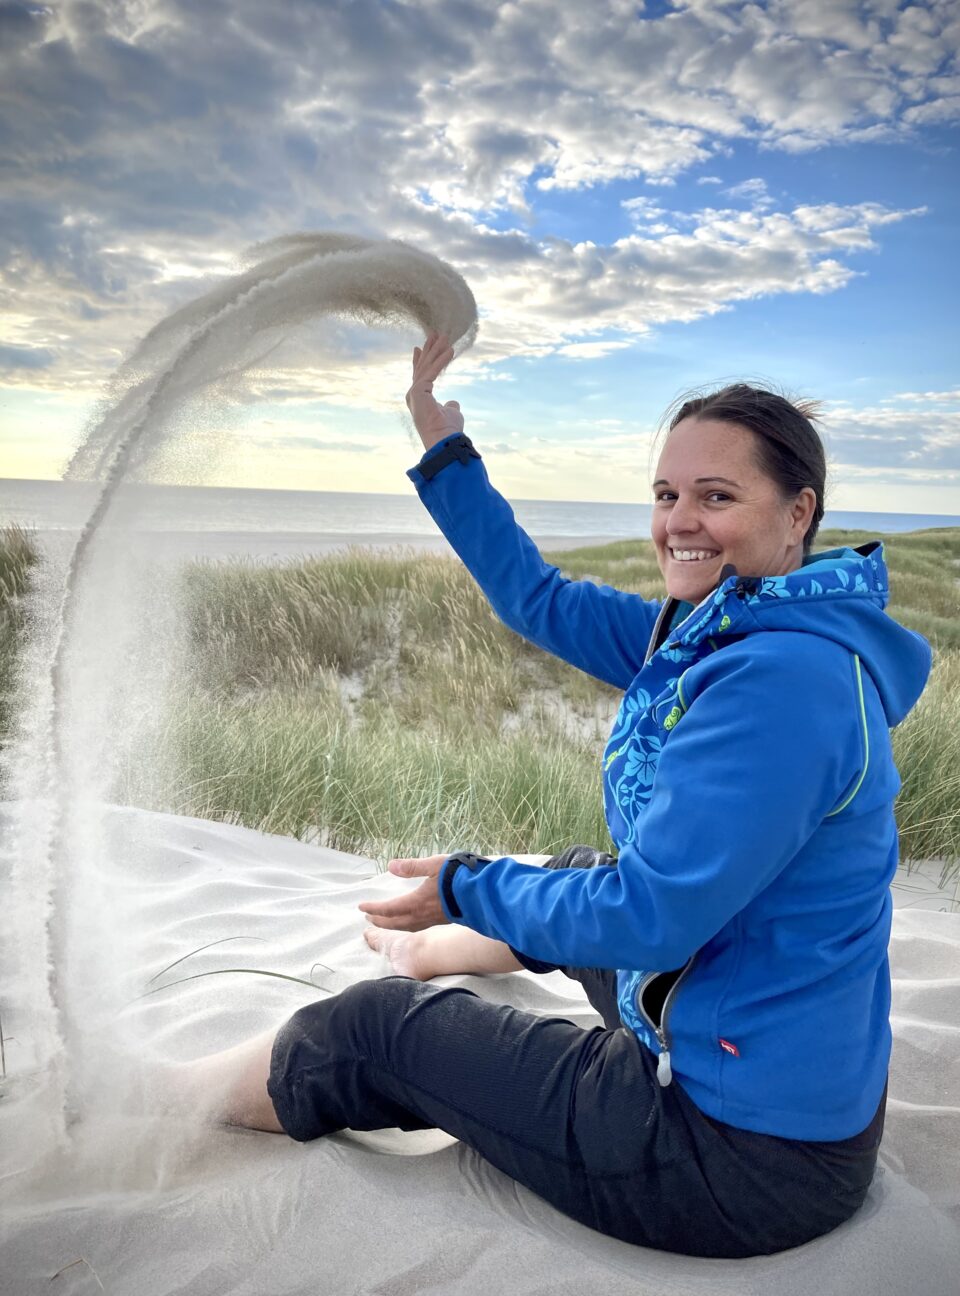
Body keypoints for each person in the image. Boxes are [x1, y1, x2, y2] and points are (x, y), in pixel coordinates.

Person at [186, 332, 932, 1259]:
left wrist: (467, 883)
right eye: (667, 495)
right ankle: (418, 947)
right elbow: (537, 599)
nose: (678, 522)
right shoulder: (732, 630)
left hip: (735, 1156)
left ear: (797, 513)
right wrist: (442, 446)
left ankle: (160, 1100)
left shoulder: (781, 684)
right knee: (578, 870)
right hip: (781, 1077)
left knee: (376, 1034)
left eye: (717, 495)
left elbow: (652, 916)